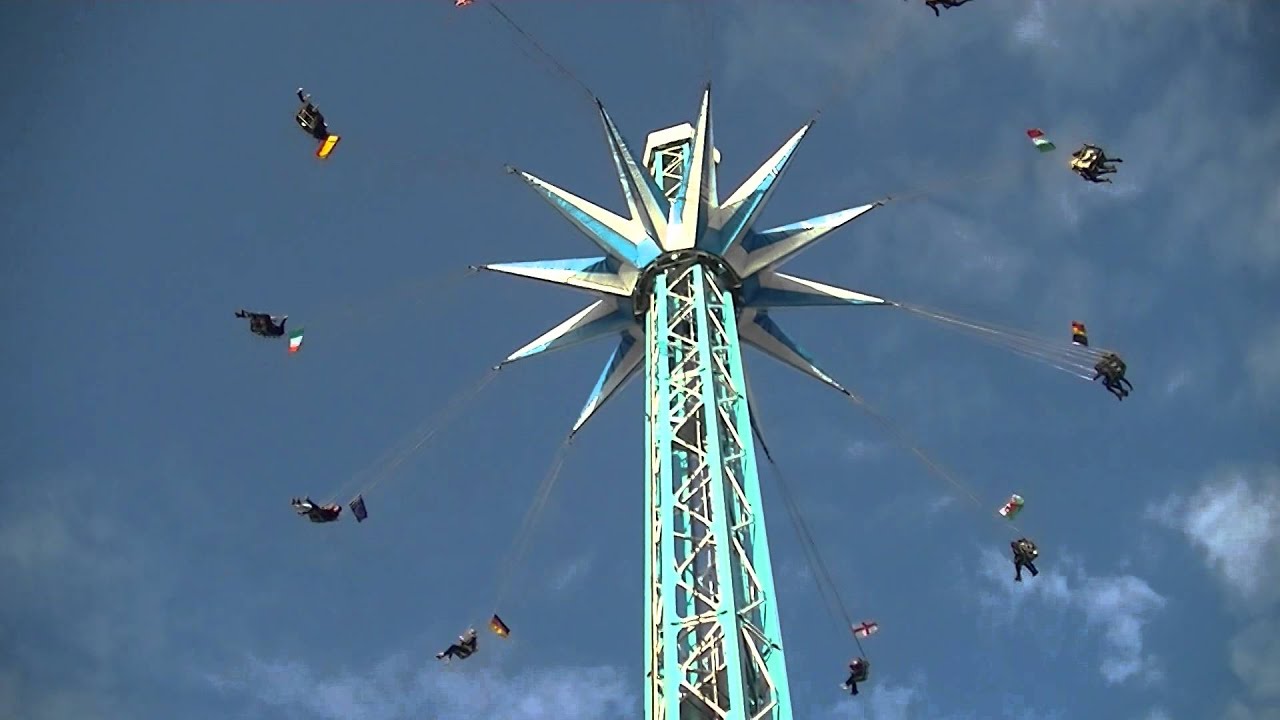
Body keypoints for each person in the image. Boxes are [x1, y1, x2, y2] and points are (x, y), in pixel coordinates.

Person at [908, 0, 974, 17]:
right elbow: (935, 8)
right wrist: (937, 12)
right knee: (954, 5)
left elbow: (935, 9)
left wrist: (937, 12)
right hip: (944, 1)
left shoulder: (929, 2)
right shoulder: (931, 3)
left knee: (953, 5)